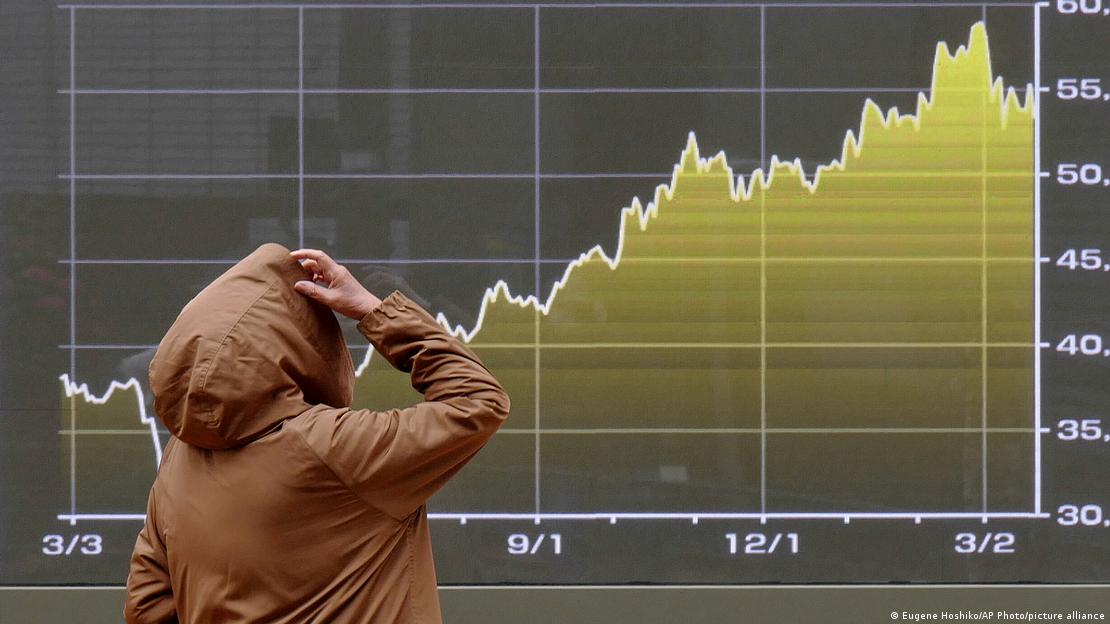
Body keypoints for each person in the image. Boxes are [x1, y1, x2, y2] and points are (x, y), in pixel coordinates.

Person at [124, 242, 510, 623]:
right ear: (297, 343)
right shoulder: (336, 448)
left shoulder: (179, 457)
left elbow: (147, 608)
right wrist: (374, 311)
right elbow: (477, 401)